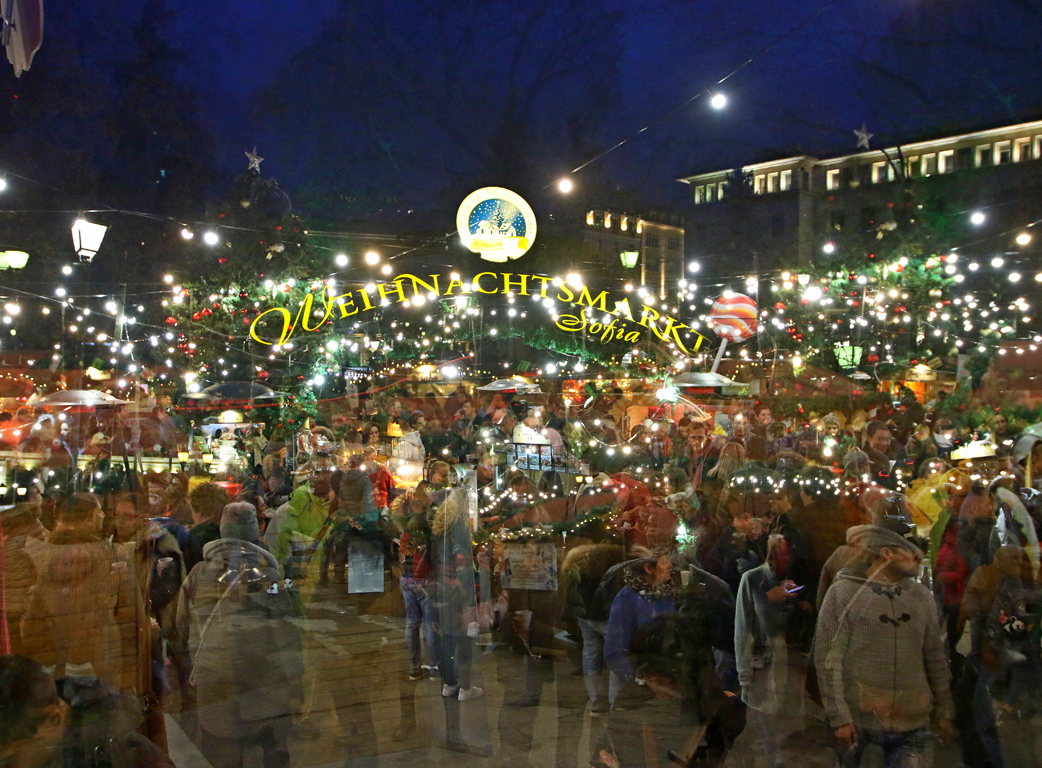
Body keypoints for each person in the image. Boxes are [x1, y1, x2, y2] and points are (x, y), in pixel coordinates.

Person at [814, 523, 954, 768]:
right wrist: (839, 718)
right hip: (862, 723)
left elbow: (935, 656)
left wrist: (944, 710)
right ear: (887, 553)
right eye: (911, 551)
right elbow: (828, 659)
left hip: (914, 722)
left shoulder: (921, 598)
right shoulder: (844, 594)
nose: (918, 558)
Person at [177, 502, 302, 768]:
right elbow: (285, 634)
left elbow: (182, 625)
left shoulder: (199, 573)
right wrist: (296, 682)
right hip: (263, 680)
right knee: (271, 751)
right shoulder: (269, 576)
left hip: (214, 679)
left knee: (220, 753)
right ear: (254, 530)